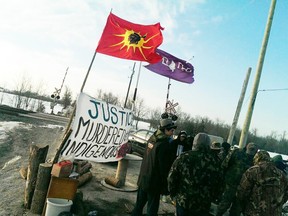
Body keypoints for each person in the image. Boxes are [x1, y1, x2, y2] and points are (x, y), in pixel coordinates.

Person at [167, 132, 223, 216]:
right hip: (203, 204)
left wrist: (173, 194)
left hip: (183, 202)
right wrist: (214, 198)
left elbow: (171, 178)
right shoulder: (215, 161)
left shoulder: (183, 157)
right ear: (208, 145)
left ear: (194, 143)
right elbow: (220, 184)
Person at [131, 116, 177, 216]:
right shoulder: (164, 144)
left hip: (144, 178)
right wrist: (165, 185)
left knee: (138, 206)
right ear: (165, 130)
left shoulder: (152, 138)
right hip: (153, 183)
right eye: (172, 130)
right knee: (151, 210)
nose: (173, 133)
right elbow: (163, 168)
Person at [237, 150, 288, 216]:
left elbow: (242, 192)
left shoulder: (252, 171)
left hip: (255, 212)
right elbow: (286, 194)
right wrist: (276, 205)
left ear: (257, 158)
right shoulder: (281, 174)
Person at [216, 142, 258, 216]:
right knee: (224, 204)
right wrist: (223, 179)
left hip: (243, 189)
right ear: (246, 148)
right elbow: (225, 164)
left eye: (252, 152)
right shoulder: (236, 152)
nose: (250, 154)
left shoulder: (256, 159)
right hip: (230, 184)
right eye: (250, 151)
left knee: (236, 210)